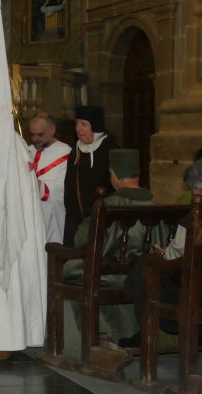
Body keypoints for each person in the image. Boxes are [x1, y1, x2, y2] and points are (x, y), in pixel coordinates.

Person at [64, 149, 156, 353]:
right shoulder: (155, 203)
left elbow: (83, 241)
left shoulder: (109, 205)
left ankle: (80, 345)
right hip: (145, 274)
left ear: (113, 175)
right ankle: (122, 333)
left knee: (68, 273)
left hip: (113, 274)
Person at [122, 159, 202, 347]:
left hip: (189, 292)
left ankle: (147, 336)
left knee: (143, 267)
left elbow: (176, 257)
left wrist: (161, 253)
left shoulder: (193, 220)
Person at [63, 105, 117, 246]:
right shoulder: (76, 151)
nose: (79, 129)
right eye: (77, 124)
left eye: (84, 124)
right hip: (74, 221)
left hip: (100, 221)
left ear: (96, 126)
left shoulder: (110, 150)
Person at [28, 113, 71, 244]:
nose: (35, 139)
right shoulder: (27, 150)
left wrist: (40, 186)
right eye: (32, 134)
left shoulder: (67, 153)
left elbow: (63, 189)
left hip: (50, 219)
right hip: (28, 216)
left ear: (52, 130)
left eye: (40, 135)